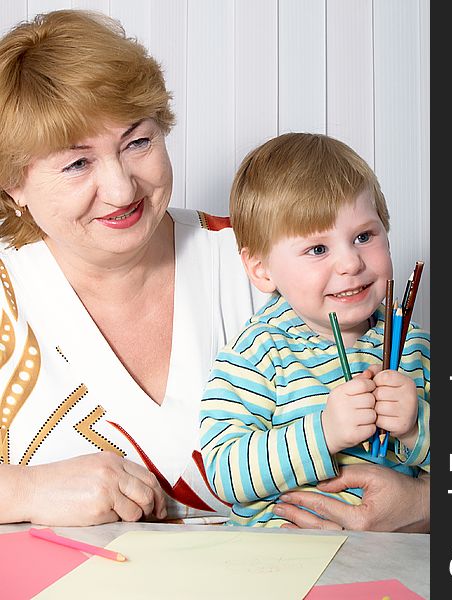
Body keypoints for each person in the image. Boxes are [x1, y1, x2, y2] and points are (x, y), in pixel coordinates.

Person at [0, 9, 429, 532]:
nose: (121, 189)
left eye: (138, 142)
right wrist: (23, 490)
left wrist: (422, 505)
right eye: (76, 163)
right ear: (12, 186)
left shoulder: (278, 259)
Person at [200, 133, 430, 527]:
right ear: (261, 269)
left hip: (392, 560)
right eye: (317, 249)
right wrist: (324, 433)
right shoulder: (259, 352)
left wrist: (416, 428)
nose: (350, 263)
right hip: (282, 568)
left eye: (363, 236)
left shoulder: (413, 345)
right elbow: (224, 473)